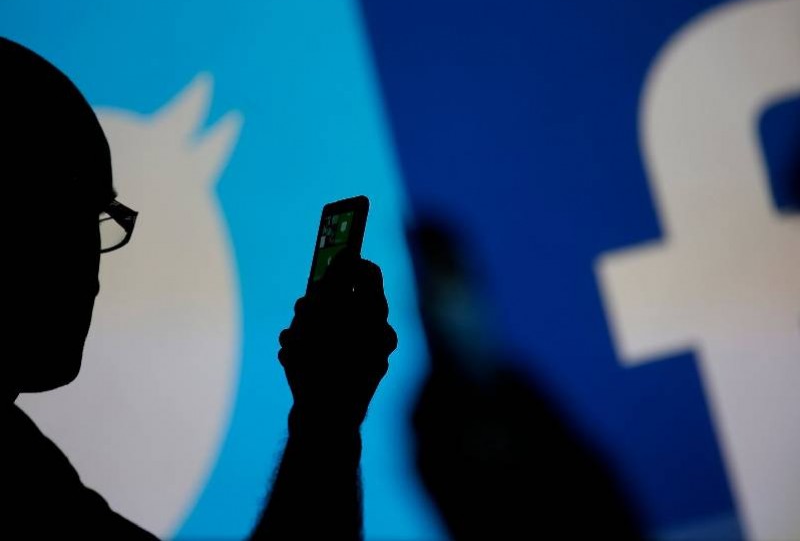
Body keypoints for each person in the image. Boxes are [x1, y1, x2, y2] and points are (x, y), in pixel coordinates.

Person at [2, 36, 397, 540]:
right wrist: (327, 418)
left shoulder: (24, 462)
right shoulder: (17, 484)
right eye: (71, 211)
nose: (92, 268)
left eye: (101, 218)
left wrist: (326, 417)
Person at [406, 216, 643, 540]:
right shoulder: (435, 419)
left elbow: (597, 485)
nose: (463, 306)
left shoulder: (516, 387)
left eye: (462, 281)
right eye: (442, 290)